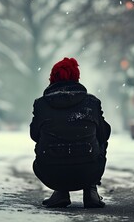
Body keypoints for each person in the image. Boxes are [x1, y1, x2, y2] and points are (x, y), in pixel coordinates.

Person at [30, 57, 111, 208]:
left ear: (52, 78)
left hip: (50, 173)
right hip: (89, 171)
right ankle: (90, 191)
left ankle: (60, 192)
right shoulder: (92, 103)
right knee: (101, 139)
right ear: (76, 78)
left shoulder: (41, 104)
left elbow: (34, 135)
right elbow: (103, 134)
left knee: (44, 141)